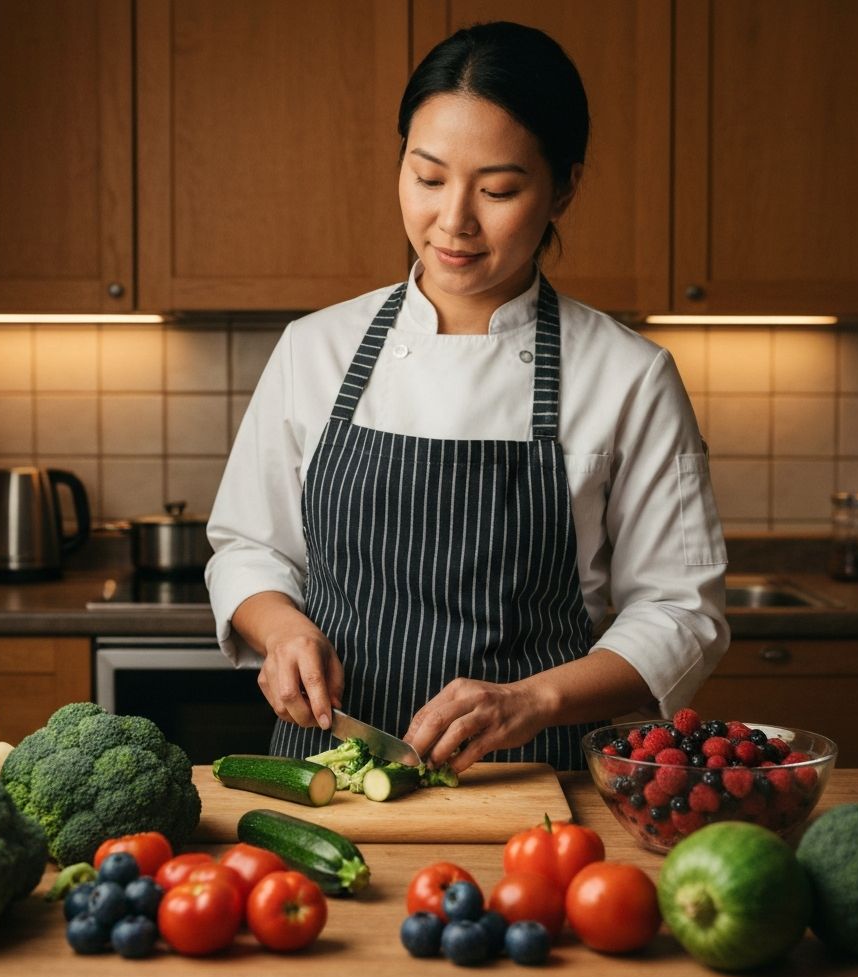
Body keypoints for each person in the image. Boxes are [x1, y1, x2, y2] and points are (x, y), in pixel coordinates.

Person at [206, 21, 729, 773]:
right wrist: (282, 629)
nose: (453, 221)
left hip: (534, 784)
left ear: (564, 188)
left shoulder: (627, 375)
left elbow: (682, 612)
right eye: (427, 178)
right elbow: (249, 547)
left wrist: (532, 702)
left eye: (498, 190)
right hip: (328, 774)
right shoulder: (315, 348)